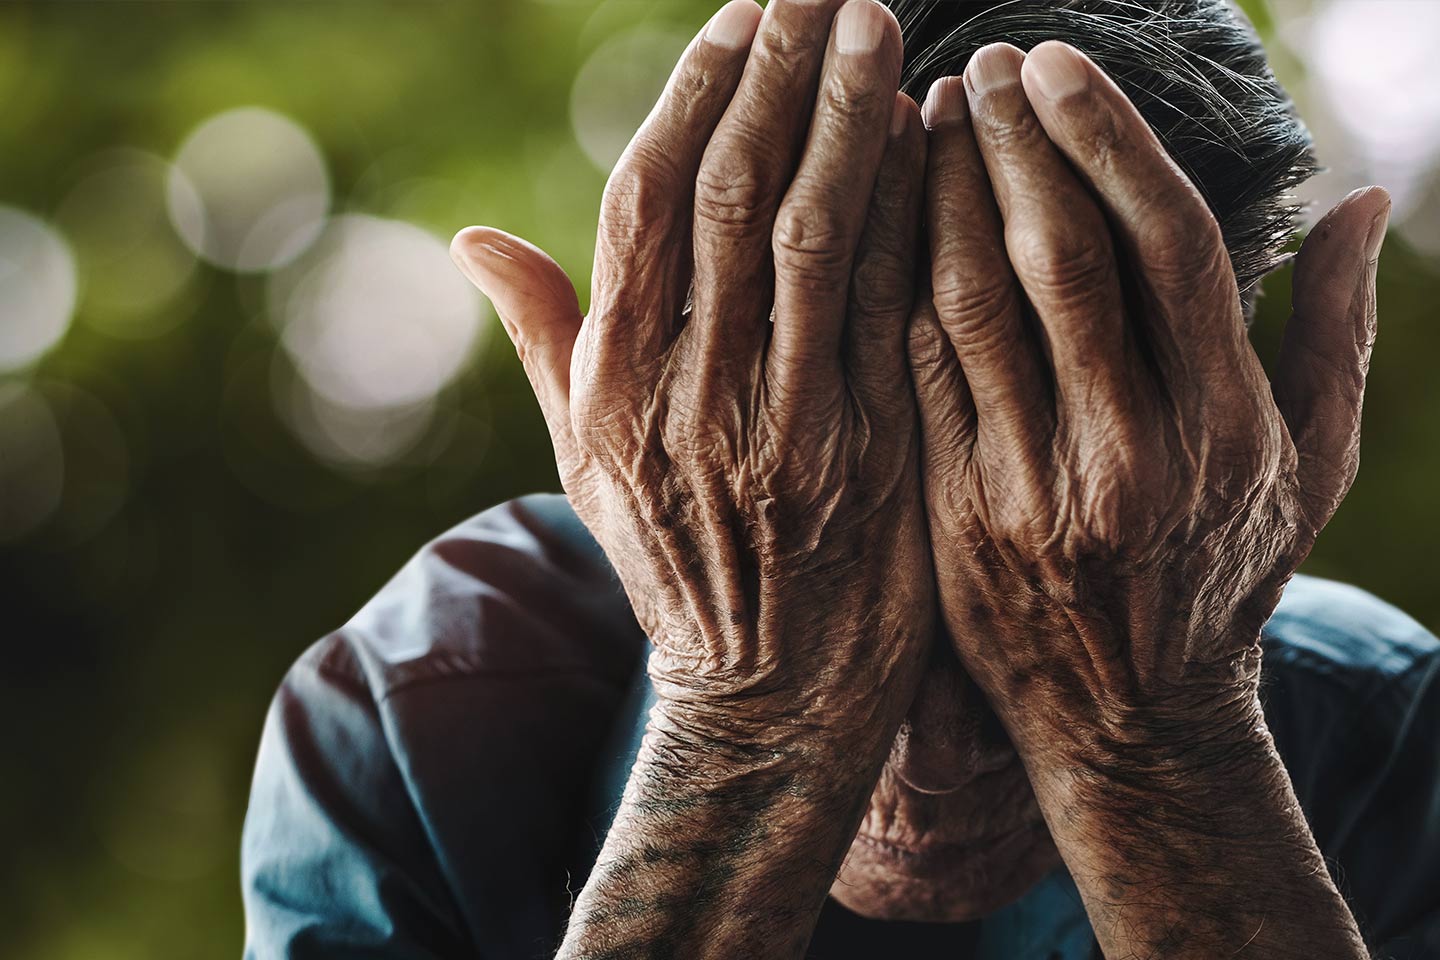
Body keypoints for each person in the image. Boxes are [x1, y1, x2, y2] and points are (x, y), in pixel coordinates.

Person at [240, 1, 1440, 957]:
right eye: (825, 556)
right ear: (654, 456)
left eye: (1048, 574)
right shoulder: (416, 721)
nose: (932, 756)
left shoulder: (1392, 740)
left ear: (1228, 477)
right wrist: (746, 719)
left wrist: (1155, 742)